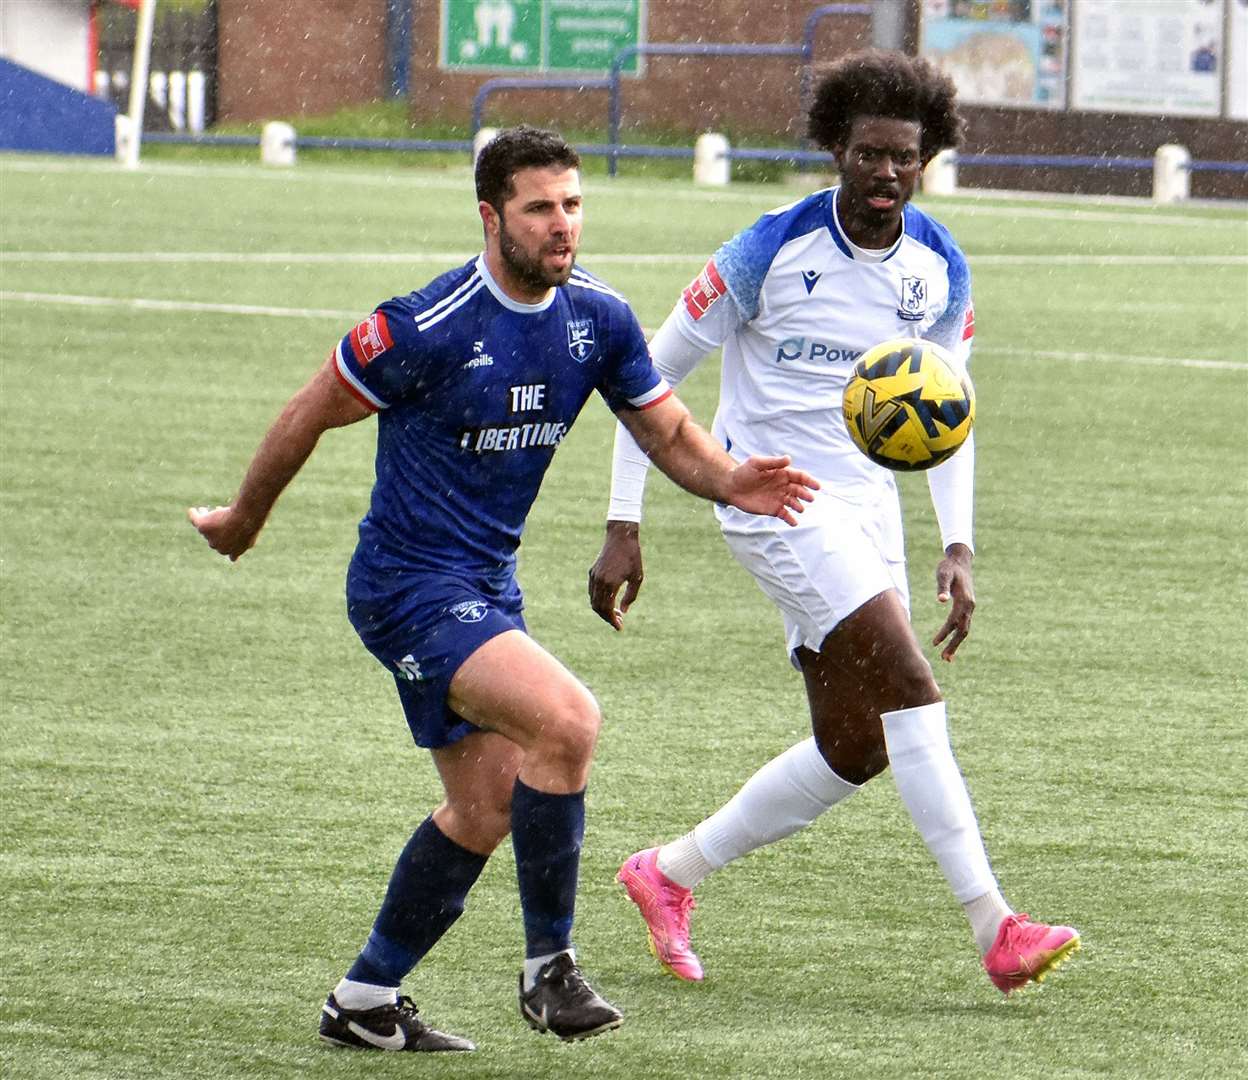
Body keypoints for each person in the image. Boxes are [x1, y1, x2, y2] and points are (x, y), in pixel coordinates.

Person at [187, 125, 817, 1052]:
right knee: (568, 720)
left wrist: (732, 479)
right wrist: (246, 515)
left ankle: (362, 1000)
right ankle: (548, 972)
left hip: (483, 587)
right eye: (540, 209)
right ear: (492, 217)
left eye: (572, 206)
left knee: (483, 809)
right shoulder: (424, 326)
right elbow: (310, 410)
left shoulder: (595, 319)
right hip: (404, 586)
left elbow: (670, 432)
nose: (563, 227)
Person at [589, 51, 1080, 995]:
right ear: (836, 152)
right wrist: (625, 521)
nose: (886, 173)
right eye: (868, 155)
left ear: (926, 157)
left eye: (904, 156)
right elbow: (645, 380)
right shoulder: (766, 249)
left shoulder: (941, 266)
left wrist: (958, 544)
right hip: (771, 497)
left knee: (855, 743)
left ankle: (668, 873)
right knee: (909, 682)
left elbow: (949, 411)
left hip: (866, 509)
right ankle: (996, 925)